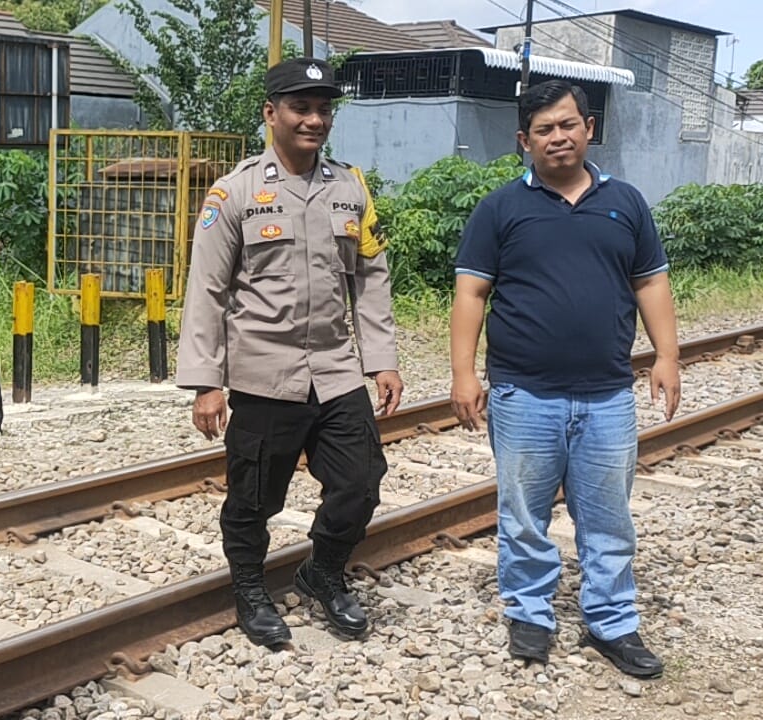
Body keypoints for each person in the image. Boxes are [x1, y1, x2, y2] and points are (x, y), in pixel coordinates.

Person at [450, 79, 680, 678]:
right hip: (523, 393)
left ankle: (612, 622)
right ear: (524, 141)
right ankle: (530, 614)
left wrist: (667, 356)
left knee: (608, 517)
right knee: (524, 515)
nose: (558, 137)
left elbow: (650, 281)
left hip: (607, 394)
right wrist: (463, 374)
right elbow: (471, 293)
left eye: (568, 124)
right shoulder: (500, 208)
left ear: (589, 128)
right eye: (544, 129)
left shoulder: (625, 202)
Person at [176, 57, 404, 648]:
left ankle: (323, 570)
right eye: (301, 108)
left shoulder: (350, 188)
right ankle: (250, 589)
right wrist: (206, 382)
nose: (314, 120)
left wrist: (382, 358)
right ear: (270, 114)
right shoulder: (234, 193)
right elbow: (206, 290)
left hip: (335, 370)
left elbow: (370, 278)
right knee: (253, 499)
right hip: (262, 375)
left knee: (361, 483)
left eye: (324, 109)